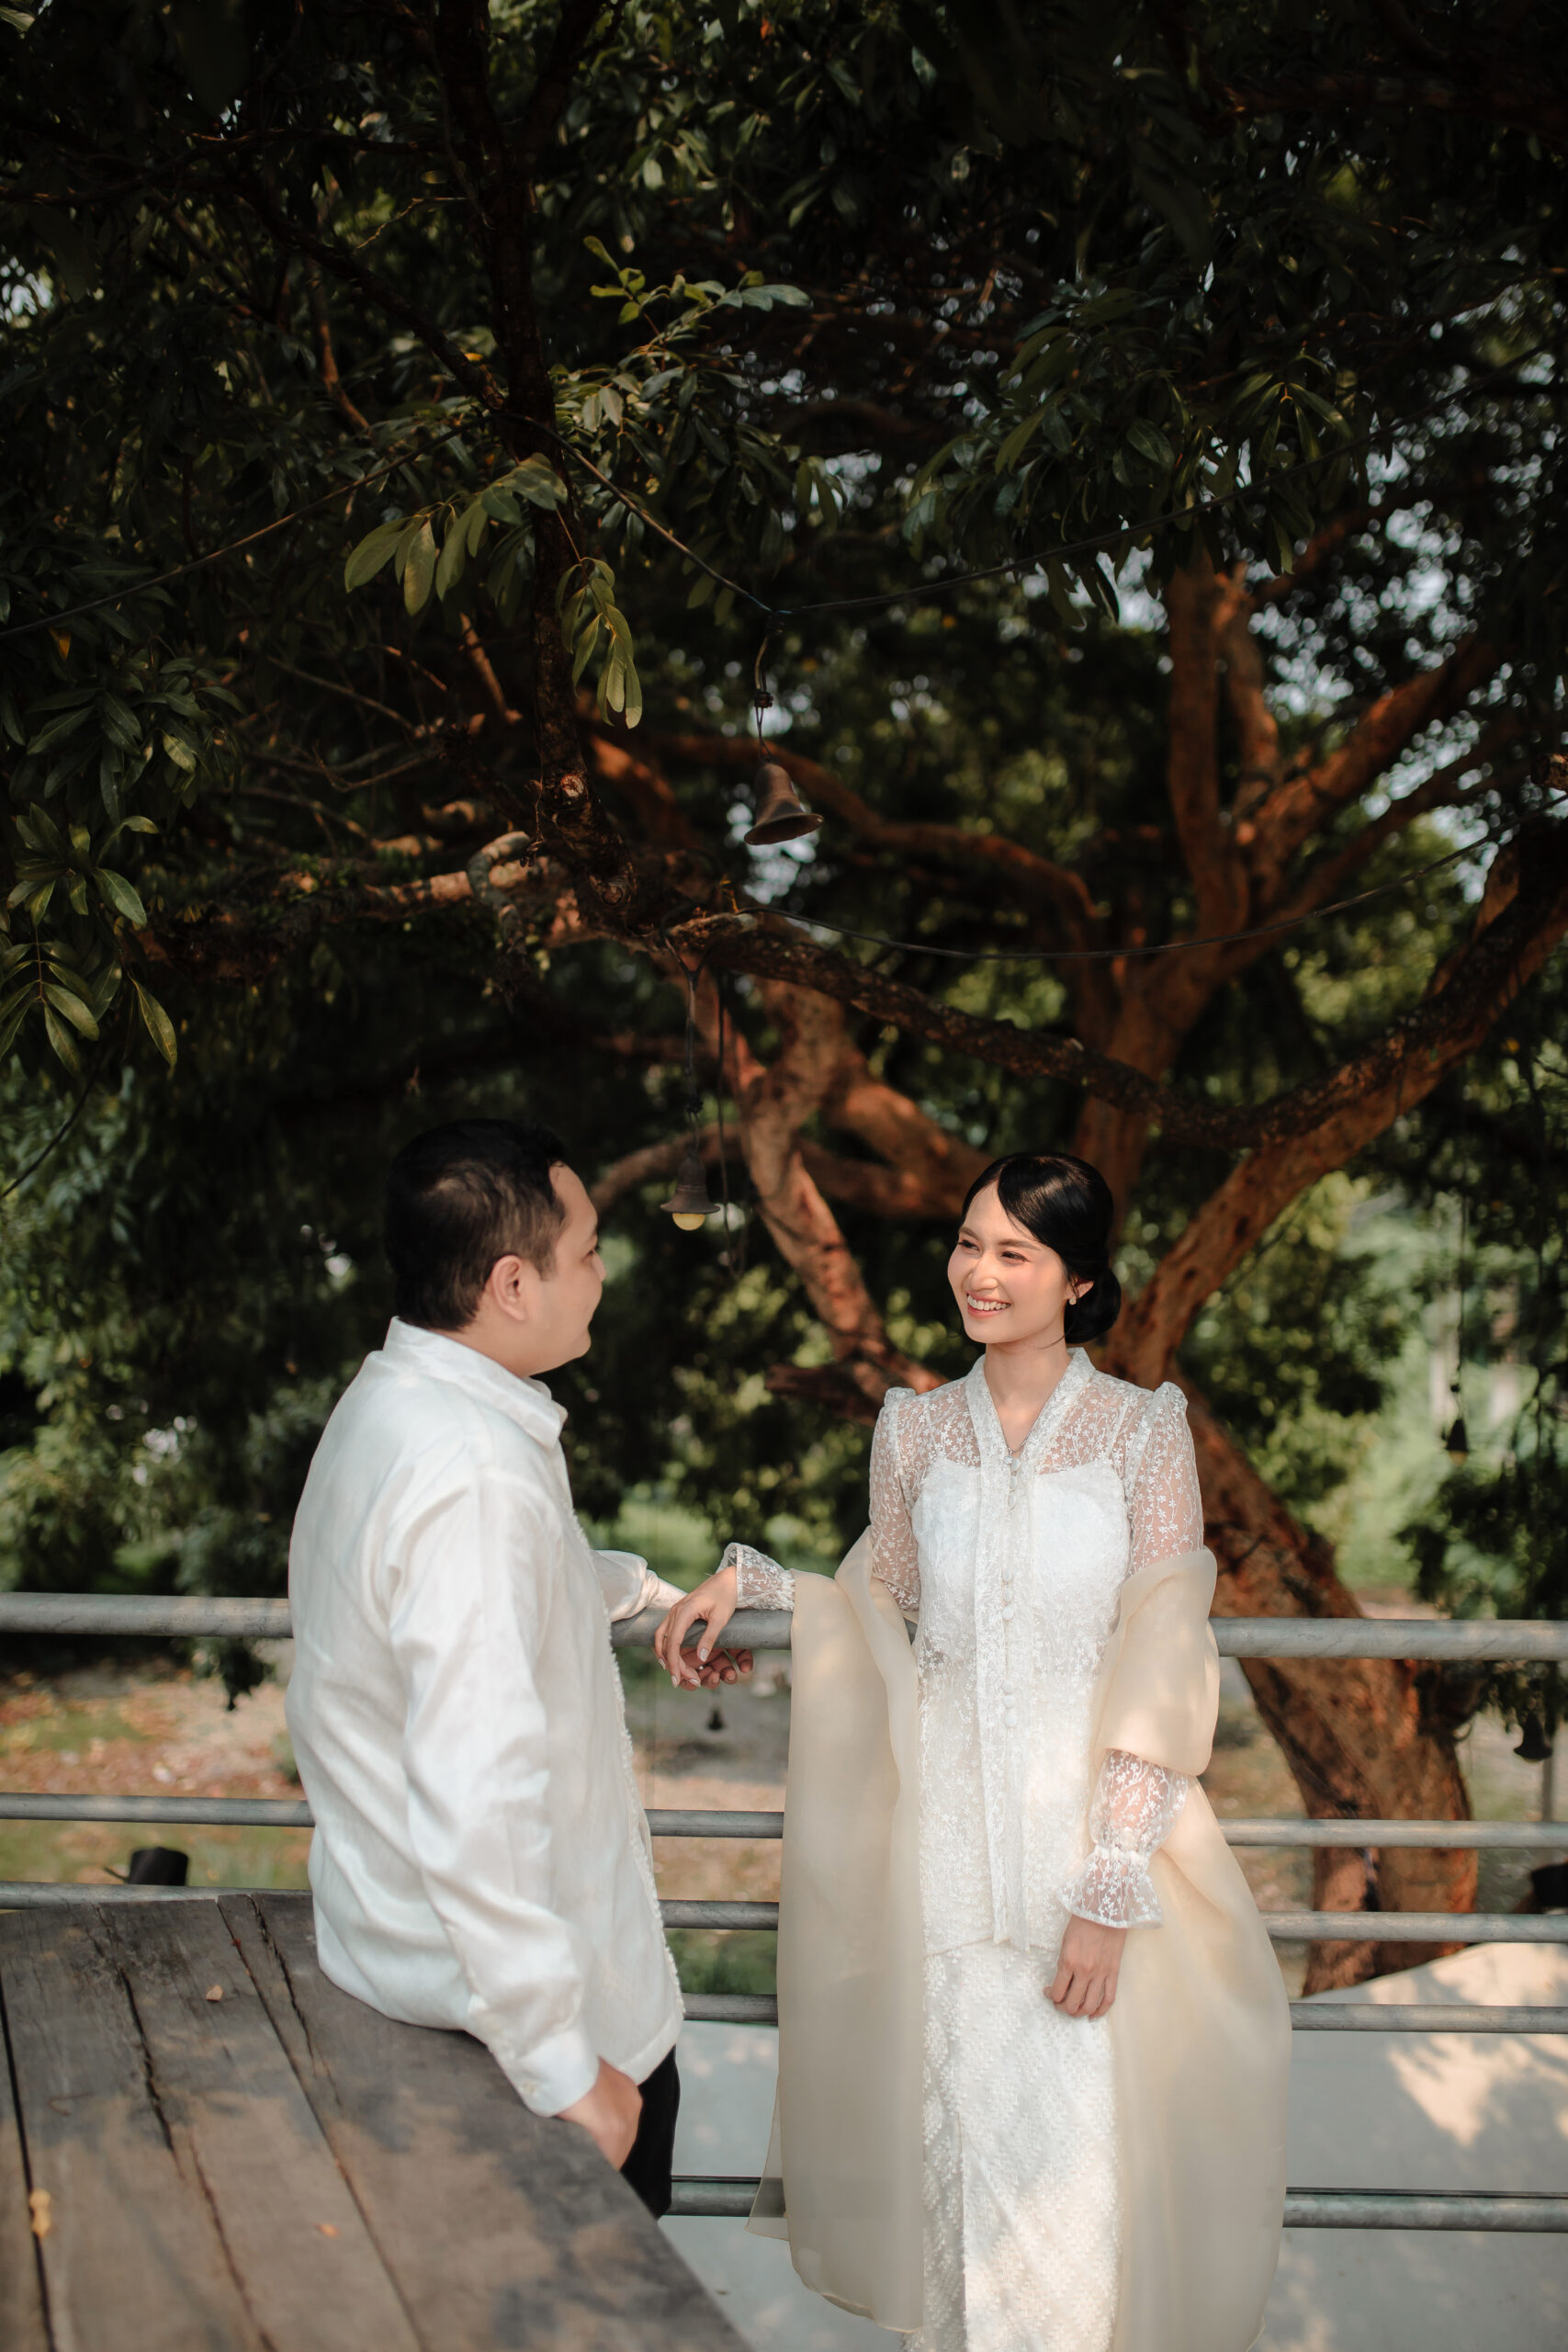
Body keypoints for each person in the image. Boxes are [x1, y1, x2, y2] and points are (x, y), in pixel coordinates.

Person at [656, 1151, 1290, 2348]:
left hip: (1084, 1865)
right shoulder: (912, 1429)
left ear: (1078, 1280)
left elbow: (1165, 1648)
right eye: (965, 1243)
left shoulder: (1141, 1431)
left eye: (1013, 1253)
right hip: (941, 1866)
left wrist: (1109, 1884)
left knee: (1072, 2198)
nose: (978, 1273)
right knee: (954, 2195)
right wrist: (753, 1583)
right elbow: (878, 1602)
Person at [287, 1116, 744, 2216]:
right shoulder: (474, 1475)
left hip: (406, 1959)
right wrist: (566, 2066)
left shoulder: (395, 1402)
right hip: (533, 2038)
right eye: (585, 1250)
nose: (602, 1271)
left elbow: (483, 1586)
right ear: (511, 1282)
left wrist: (643, 1592)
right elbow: (477, 1793)